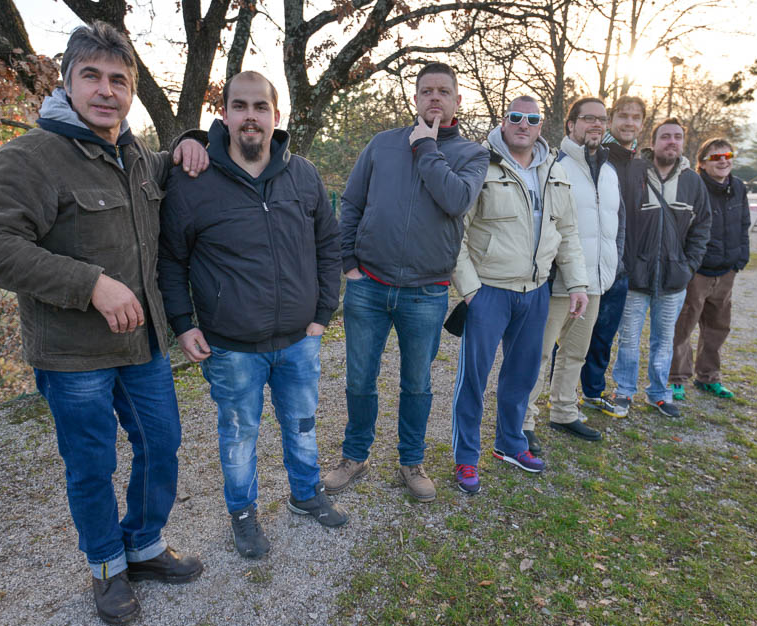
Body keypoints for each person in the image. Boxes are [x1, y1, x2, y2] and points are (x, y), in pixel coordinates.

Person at [0, 22, 208, 625]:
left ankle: (143, 545)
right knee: (92, 465)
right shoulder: (31, 157)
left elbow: (175, 164)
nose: (105, 90)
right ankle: (106, 565)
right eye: (90, 76)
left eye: (118, 79)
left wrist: (192, 140)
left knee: (162, 444)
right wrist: (89, 283)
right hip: (73, 357)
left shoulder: (137, 158)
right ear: (66, 83)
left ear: (131, 91)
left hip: (142, 345)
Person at [158, 71, 347, 559]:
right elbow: (171, 260)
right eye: (239, 106)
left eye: (260, 107)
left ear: (275, 115)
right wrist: (183, 323)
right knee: (239, 436)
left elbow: (329, 244)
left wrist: (323, 312)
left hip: (299, 340)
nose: (250, 116)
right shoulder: (193, 180)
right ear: (224, 114)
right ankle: (243, 515)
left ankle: (306, 494)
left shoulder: (302, 174)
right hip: (231, 347)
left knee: (302, 424)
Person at [324, 62, 488, 502]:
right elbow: (352, 203)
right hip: (369, 285)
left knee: (417, 384)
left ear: (457, 101)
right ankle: (354, 456)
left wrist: (427, 147)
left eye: (443, 91)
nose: (434, 97)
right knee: (360, 378)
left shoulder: (472, 155)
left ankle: (411, 462)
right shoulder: (382, 144)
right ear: (415, 99)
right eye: (426, 91)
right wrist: (349, 263)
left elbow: (456, 200)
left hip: (426, 292)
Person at [450, 96, 588, 493]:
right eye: (516, 117)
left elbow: (567, 233)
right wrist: (470, 289)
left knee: (523, 374)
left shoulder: (555, 170)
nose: (523, 124)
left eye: (531, 118)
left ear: (540, 125)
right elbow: (456, 232)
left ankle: (510, 444)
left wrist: (577, 283)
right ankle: (466, 458)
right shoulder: (480, 164)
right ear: (503, 121)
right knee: (473, 380)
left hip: (536, 291)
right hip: (489, 291)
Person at [522, 96, 621, 444]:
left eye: (602, 119)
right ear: (571, 125)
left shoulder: (609, 171)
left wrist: (613, 264)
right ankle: (524, 421)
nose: (596, 125)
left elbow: (616, 225)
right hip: (557, 282)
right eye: (588, 118)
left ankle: (564, 412)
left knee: (575, 352)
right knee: (538, 354)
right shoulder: (554, 166)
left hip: (594, 282)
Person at [610, 117, 711, 419]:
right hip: (635, 277)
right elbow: (617, 217)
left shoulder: (693, 182)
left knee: (664, 341)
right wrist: (623, 263)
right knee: (628, 340)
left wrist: (688, 266)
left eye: (677, 137)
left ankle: (658, 394)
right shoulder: (634, 172)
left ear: (683, 143)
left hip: (673, 280)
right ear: (652, 143)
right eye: (665, 136)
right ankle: (624, 391)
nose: (672, 142)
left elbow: (702, 227)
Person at [669, 138, 750, 402]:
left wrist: (740, 259)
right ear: (702, 163)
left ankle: (708, 377)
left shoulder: (738, 187)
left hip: (726, 270)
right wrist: (688, 265)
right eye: (715, 157)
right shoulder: (693, 185)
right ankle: (677, 378)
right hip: (698, 271)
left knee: (717, 327)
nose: (723, 161)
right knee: (684, 326)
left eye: (727, 155)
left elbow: (744, 224)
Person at [579, 95, 645, 418]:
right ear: (611, 120)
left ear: (642, 124)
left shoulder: (641, 165)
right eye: (623, 116)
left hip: (620, 268)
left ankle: (592, 393)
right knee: (574, 337)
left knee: (604, 337)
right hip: (589, 265)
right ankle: (561, 395)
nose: (629, 122)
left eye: (636, 117)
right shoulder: (596, 156)